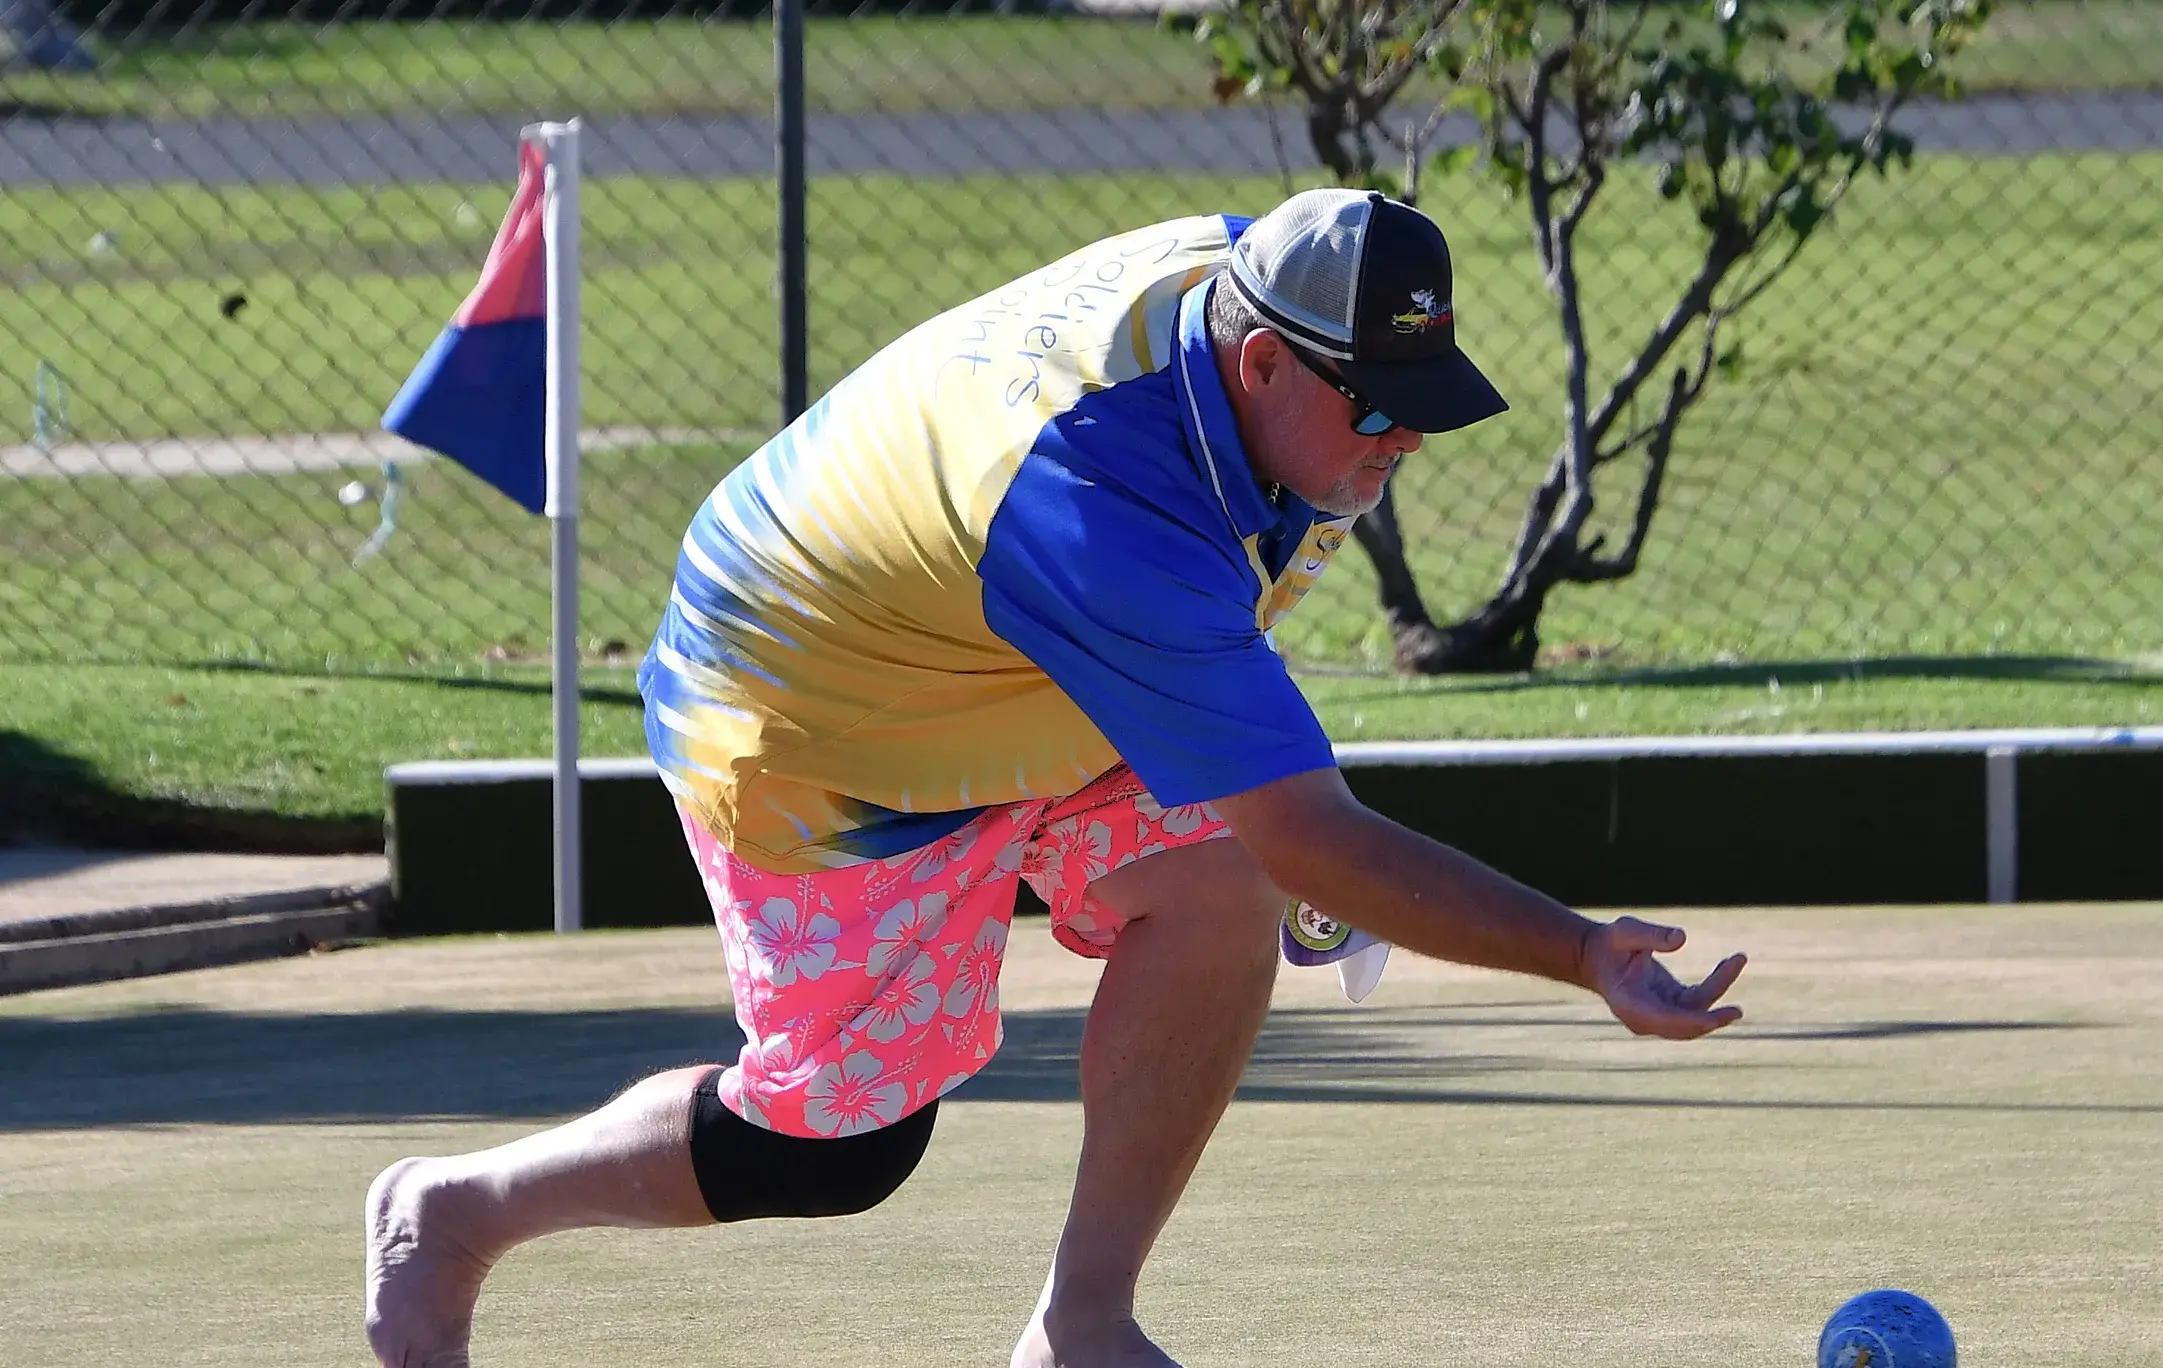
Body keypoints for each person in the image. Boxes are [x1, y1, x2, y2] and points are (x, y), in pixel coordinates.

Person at [362, 187, 1748, 1368]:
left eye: (1424, 406)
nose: (1405, 439)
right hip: (818, 706)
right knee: (835, 1152)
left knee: (1229, 883)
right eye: (1377, 407)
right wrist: (1577, 952)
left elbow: (1249, 725)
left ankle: (1080, 1327)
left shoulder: (1252, 301)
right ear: (1260, 363)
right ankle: (459, 1210)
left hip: (1014, 643)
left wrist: (1283, 845)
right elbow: (1306, 816)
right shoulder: (1100, 494)